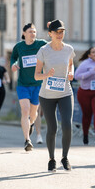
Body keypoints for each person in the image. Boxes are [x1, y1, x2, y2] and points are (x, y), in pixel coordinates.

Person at [34, 19, 75, 172]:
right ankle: (51, 158)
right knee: (52, 128)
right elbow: (36, 76)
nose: (59, 34)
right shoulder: (44, 51)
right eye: (56, 32)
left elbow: (71, 65)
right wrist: (46, 75)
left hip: (65, 92)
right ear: (50, 34)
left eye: (62, 31)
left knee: (67, 125)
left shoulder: (69, 49)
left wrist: (71, 73)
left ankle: (65, 157)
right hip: (47, 95)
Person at [10, 23, 46, 151]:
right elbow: (13, 57)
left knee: (33, 113)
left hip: (37, 85)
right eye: (30, 31)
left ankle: (30, 124)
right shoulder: (19, 46)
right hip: (23, 85)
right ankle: (27, 140)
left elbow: (52, 48)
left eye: (34, 32)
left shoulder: (41, 44)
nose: (33, 34)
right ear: (24, 33)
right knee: (25, 110)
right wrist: (13, 65)